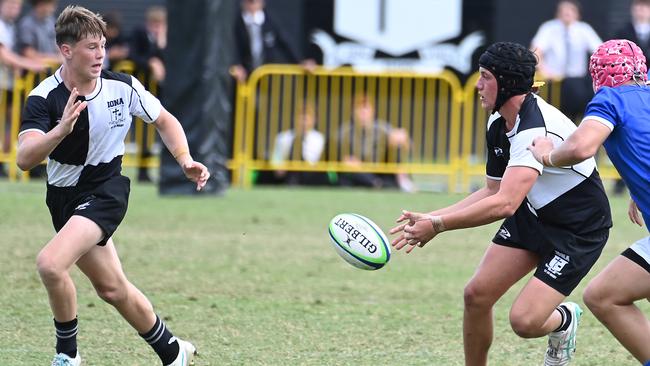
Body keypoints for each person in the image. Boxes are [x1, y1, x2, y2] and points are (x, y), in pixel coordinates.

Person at [389, 42, 611, 366]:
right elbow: (492, 190)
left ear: (506, 82)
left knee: (524, 321)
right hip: (533, 213)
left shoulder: (533, 128)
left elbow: (504, 205)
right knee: (476, 296)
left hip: (577, 229)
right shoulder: (498, 122)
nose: (477, 85)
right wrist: (430, 216)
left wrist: (437, 226)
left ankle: (563, 321)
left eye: (484, 77)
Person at [16, 6, 208, 366]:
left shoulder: (123, 86)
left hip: (106, 189)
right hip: (63, 198)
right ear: (66, 50)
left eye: (103, 45)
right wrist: (60, 131)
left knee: (50, 264)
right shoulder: (44, 97)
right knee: (112, 288)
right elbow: (24, 158)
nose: (100, 53)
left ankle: (67, 356)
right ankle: (173, 351)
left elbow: (165, 120)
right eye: (91, 46)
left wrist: (185, 160)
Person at [529, 39, 650, 366]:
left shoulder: (610, 98)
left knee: (605, 297)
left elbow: (583, 146)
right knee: (604, 295)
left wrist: (547, 155)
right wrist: (639, 190)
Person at [531, 0, 602, 121]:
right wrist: (544, 70)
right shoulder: (548, 28)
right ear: (558, 13)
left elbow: (599, 50)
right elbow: (536, 51)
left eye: (571, 10)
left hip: (576, 82)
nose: (567, 13)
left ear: (577, 14)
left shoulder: (584, 29)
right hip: (553, 82)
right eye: (564, 10)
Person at [0, 0, 44, 177]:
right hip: (3, 84)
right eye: (10, 5)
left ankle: (3, 163)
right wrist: (27, 63)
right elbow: (4, 55)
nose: (14, 9)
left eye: (17, 6)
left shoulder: (10, 26)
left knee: (13, 123)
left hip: (7, 85)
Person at [611, 0, 650, 195]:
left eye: (644, 7)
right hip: (628, 89)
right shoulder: (623, 30)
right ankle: (622, 181)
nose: (641, 11)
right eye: (638, 7)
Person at [337, 93, 414, 192]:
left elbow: (408, 146)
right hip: (360, 173)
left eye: (366, 108)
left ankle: (403, 181)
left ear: (373, 111)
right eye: (359, 108)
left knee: (396, 150)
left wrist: (403, 138)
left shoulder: (383, 128)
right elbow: (342, 159)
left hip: (382, 172)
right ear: (353, 111)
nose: (363, 112)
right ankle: (377, 184)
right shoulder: (345, 132)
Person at [231, 0, 315, 83]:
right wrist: (237, 65)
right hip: (244, 80)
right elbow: (232, 48)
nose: (253, 4)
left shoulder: (269, 22)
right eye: (250, 2)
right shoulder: (236, 22)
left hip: (266, 79)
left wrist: (301, 62)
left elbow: (286, 44)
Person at [270, 102, 328, 185]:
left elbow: (317, 163)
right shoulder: (283, 137)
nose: (303, 121)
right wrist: (279, 167)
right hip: (287, 177)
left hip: (312, 178)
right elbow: (275, 160)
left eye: (307, 118)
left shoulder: (320, 139)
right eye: (301, 117)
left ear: (314, 120)